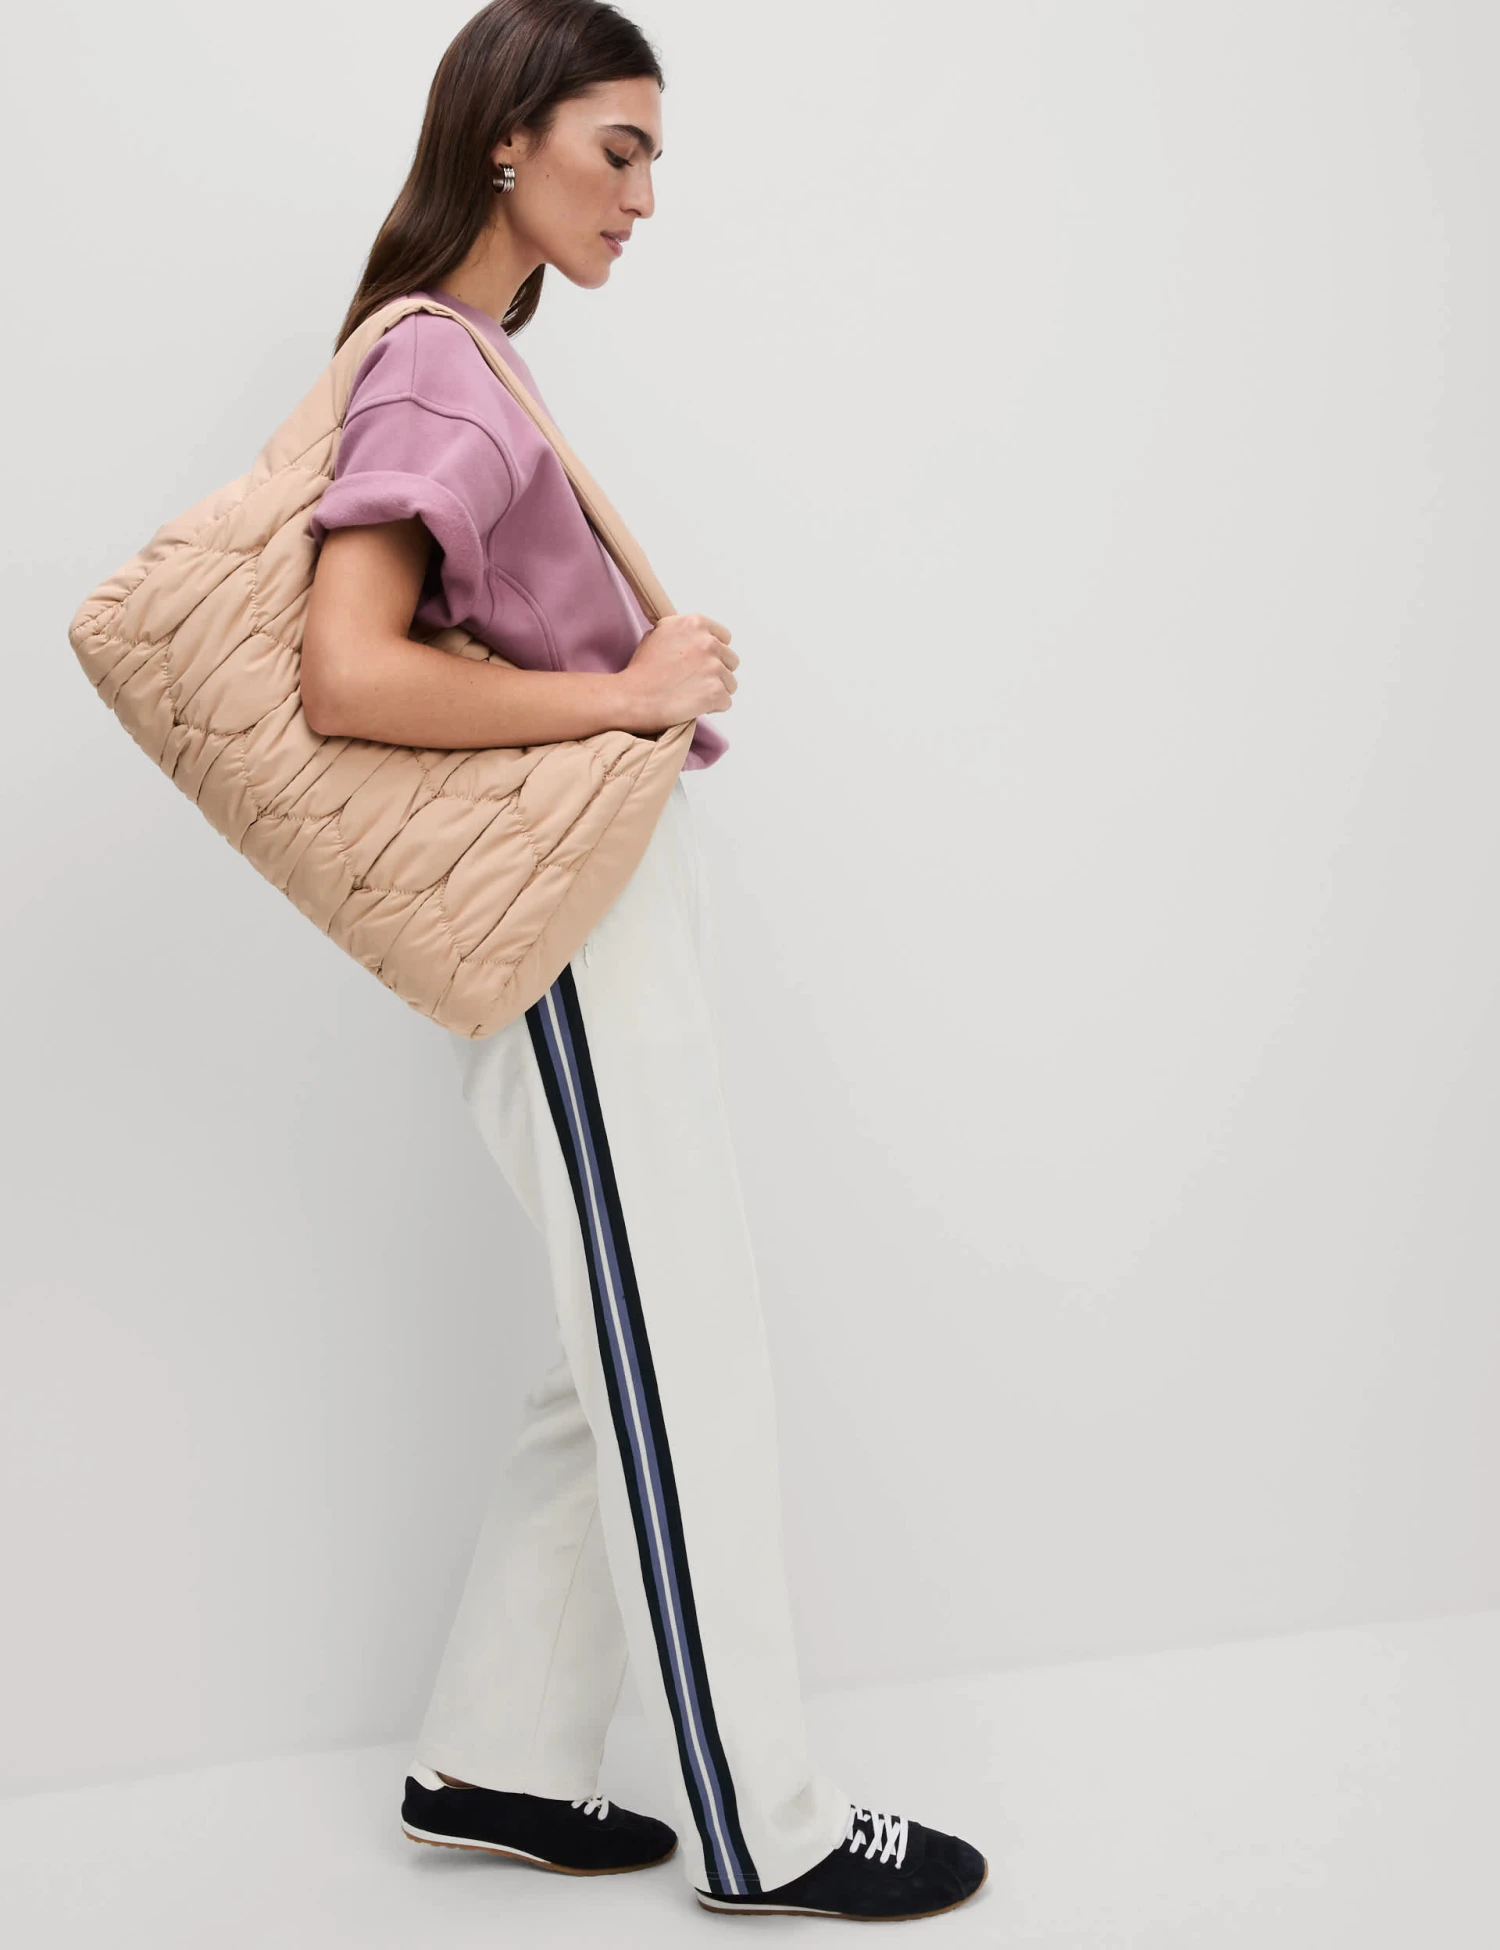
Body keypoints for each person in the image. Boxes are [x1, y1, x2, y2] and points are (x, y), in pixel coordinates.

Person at [300, 0, 987, 1923]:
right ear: (505, 137)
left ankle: (495, 1760)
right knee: (681, 1347)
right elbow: (345, 670)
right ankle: (772, 1822)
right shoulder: (435, 364)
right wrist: (628, 687)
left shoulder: (470, 361)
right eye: (622, 149)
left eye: (656, 158)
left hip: (599, 906)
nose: (647, 196)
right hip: (567, 924)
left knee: (613, 1336)